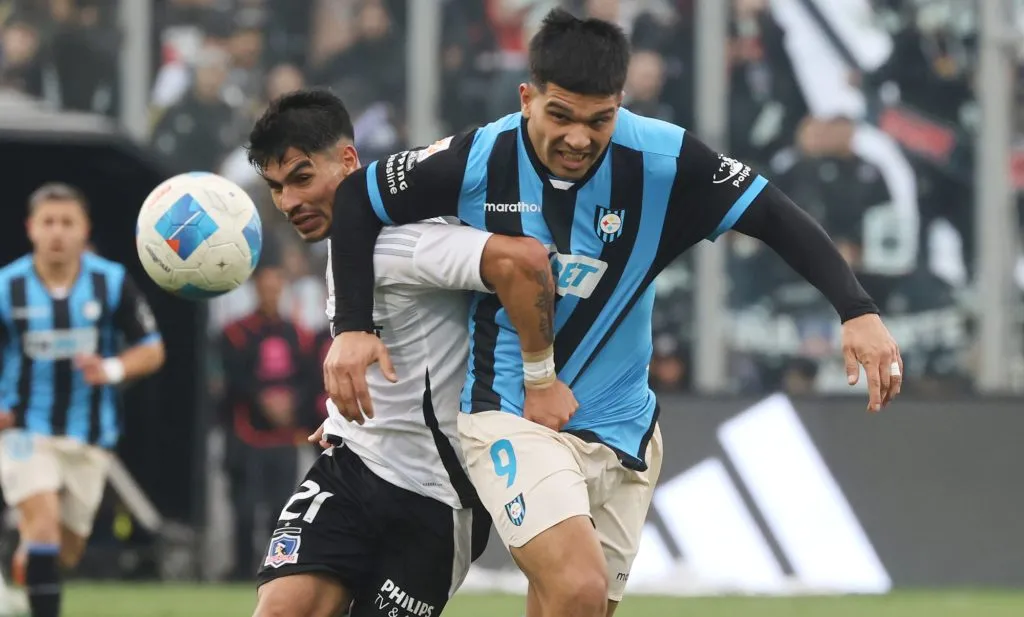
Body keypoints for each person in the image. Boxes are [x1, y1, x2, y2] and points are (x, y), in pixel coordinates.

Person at [325, 9, 903, 617]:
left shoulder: (664, 159)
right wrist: (353, 329)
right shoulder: (480, 158)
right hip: (512, 412)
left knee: (575, 606)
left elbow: (773, 215)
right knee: (578, 589)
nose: (579, 138)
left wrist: (856, 310)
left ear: (620, 104)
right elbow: (357, 198)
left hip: (624, 428)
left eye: (599, 120)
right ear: (528, 98)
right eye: (562, 116)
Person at [245, 89, 560, 617]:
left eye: (301, 178)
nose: (288, 202)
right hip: (353, 466)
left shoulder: (403, 239)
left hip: (437, 500)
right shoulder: (342, 246)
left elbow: (524, 264)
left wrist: (540, 378)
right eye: (275, 187)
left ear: (349, 160)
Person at [0, 183, 165, 617]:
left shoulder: (110, 282)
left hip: (90, 434)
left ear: (84, 229)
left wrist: (109, 369)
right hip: (24, 430)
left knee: (65, 551)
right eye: (48, 222)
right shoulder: (7, 287)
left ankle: (26, 564)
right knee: (43, 526)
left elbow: (152, 349)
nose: (57, 232)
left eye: (67, 222)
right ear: (31, 229)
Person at [219, 251, 319, 581]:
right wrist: (263, 400)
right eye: (265, 284)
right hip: (247, 434)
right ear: (255, 287)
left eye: (277, 284)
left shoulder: (299, 334)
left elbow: (310, 379)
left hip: (284, 437)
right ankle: (241, 570)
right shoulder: (236, 333)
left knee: (283, 508)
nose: (272, 290)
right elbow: (232, 379)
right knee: (245, 507)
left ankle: (277, 569)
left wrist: (292, 404)